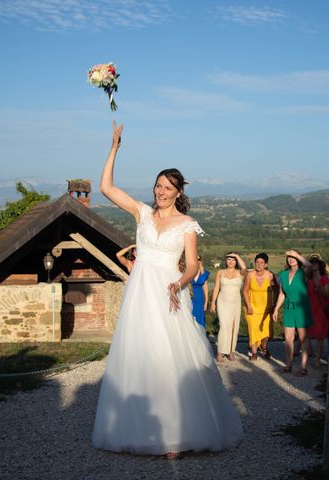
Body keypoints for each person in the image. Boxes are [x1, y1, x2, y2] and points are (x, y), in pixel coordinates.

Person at [92, 122, 242, 456]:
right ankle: (138, 430)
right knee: (138, 356)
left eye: (167, 187)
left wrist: (180, 282)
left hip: (168, 291)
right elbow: (105, 187)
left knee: (167, 358)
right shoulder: (141, 213)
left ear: (178, 192)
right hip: (140, 292)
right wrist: (114, 147)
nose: (160, 191)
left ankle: (176, 434)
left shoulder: (187, 225)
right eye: (158, 185)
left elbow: (191, 265)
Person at [273, 250, 313, 375]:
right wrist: (276, 309)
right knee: (288, 338)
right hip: (289, 309)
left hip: (302, 308)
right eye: (289, 257)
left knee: (303, 338)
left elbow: (309, 265)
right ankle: (289, 364)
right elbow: (281, 294)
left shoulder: (304, 273)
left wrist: (297, 254)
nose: (291, 259)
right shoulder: (283, 275)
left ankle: (303, 366)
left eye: (293, 257)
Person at [210, 252, 246, 362]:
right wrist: (213, 302)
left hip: (235, 302)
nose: (231, 262)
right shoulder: (220, 272)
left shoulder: (240, 273)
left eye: (233, 259)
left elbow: (244, 267)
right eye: (229, 259)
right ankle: (220, 352)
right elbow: (216, 287)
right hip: (222, 302)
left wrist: (236, 255)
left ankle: (231, 351)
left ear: (237, 261)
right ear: (226, 261)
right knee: (224, 326)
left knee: (234, 328)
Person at [243, 253, 275, 361]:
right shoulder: (250, 275)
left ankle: (264, 347)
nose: (259, 264)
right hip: (252, 307)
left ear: (266, 264)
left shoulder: (270, 275)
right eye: (257, 262)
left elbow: (277, 290)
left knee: (266, 333)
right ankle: (254, 353)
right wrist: (248, 306)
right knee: (253, 330)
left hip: (266, 308)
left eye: (262, 262)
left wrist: (274, 304)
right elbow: (245, 291)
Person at [306, 253, 329, 367]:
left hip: (321, 309)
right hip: (309, 308)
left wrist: (320, 289)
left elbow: (327, 295)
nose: (314, 264)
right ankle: (305, 359)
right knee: (307, 335)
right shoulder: (308, 278)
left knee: (320, 337)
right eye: (312, 262)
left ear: (320, 265)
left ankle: (317, 359)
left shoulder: (325, 278)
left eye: (316, 262)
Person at [190, 255, 210, 331]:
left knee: (199, 317)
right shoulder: (187, 271)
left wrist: (206, 301)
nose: (197, 261)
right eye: (195, 259)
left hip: (199, 297)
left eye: (198, 259)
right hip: (189, 296)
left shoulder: (204, 273)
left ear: (200, 261)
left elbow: (205, 287)